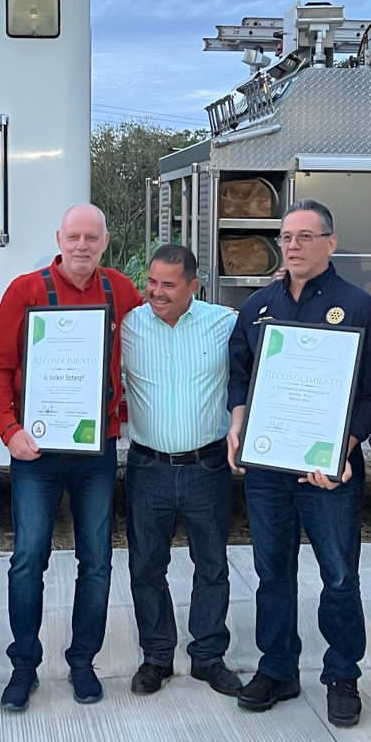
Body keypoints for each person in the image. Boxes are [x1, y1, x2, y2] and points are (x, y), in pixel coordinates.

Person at [226, 199, 371, 728]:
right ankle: (278, 670)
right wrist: (238, 422)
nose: (292, 245)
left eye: (304, 236)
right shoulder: (258, 307)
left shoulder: (359, 307)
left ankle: (343, 675)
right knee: (273, 573)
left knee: (339, 575)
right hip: (269, 469)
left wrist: (347, 446)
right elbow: (240, 372)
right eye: (286, 236)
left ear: (330, 243)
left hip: (330, 470)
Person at [0, 203, 144, 712]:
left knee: (96, 560)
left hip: (96, 451)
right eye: (73, 236)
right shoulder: (26, 292)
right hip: (36, 451)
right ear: (59, 237)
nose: (81, 246)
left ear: (105, 241)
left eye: (91, 238)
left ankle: (82, 662)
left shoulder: (122, 292)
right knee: (28, 557)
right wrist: (9, 432)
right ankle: (24, 666)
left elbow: (157, 338)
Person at [119, 244, 243, 698]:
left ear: (194, 285)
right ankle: (156, 656)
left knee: (211, 564)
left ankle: (208, 656)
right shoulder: (129, 326)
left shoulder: (225, 324)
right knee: (146, 565)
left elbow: (252, 376)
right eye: (152, 282)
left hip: (206, 466)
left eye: (169, 284)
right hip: (147, 467)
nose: (156, 292)